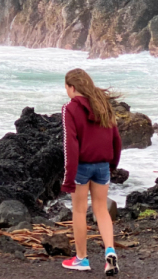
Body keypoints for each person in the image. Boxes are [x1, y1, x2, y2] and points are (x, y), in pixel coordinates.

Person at [60, 68, 122, 275]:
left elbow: (71, 145)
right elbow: (116, 139)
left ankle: (81, 258)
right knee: (101, 210)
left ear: (72, 87)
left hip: (82, 167)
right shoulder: (103, 105)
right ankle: (110, 251)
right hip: (103, 164)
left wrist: (68, 178)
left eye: (66, 88)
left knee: (78, 211)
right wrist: (112, 165)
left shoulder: (70, 108)